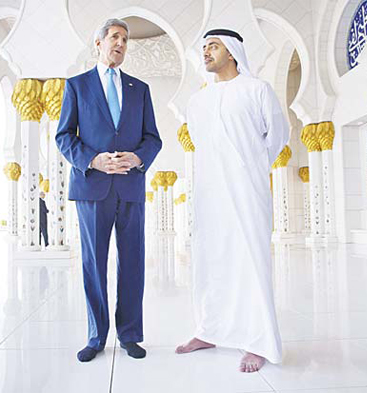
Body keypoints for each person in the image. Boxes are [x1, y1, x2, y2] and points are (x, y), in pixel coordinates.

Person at [175, 29, 288, 373]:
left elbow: (277, 136)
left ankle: (258, 342)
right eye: (204, 47)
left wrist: (249, 167)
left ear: (233, 51)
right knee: (210, 260)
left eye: (214, 46)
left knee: (250, 261)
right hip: (210, 193)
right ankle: (209, 330)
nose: (206, 52)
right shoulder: (197, 101)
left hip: (247, 191)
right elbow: (201, 144)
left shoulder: (257, 90)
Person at [56, 18, 162, 363]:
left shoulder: (139, 89)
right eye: (115, 37)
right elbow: (64, 137)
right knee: (93, 264)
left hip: (130, 186)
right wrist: (93, 160)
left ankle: (130, 334)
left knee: (132, 262)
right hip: (92, 187)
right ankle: (95, 335)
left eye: (125, 39)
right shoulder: (77, 86)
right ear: (98, 43)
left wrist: (138, 157)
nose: (121, 43)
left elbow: (153, 138)